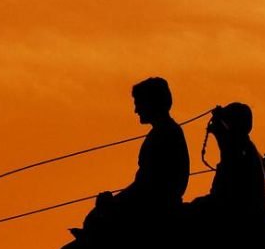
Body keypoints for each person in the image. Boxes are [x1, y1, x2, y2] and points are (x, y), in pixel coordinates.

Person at [79, 77, 190, 240]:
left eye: (139, 103)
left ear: (151, 103)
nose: (136, 110)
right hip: (153, 204)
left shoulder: (163, 135)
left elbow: (147, 186)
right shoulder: (167, 131)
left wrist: (113, 204)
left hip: (153, 209)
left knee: (95, 222)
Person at [194, 102, 265, 236]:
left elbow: (224, 199)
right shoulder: (246, 148)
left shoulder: (238, 152)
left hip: (240, 223)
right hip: (249, 220)